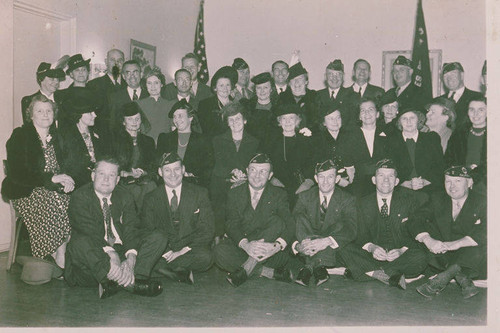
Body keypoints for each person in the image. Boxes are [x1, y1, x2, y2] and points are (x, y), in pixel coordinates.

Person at [64, 157, 163, 299]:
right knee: (79, 242)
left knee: (158, 236)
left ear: (117, 180)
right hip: (95, 260)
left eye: (111, 175)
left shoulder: (125, 195)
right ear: (93, 176)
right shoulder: (80, 196)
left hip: (120, 252)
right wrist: (112, 255)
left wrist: (130, 258)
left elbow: (131, 228)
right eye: (101, 174)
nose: (106, 179)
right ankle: (131, 283)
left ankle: (120, 279)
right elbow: (89, 232)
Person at [2, 95, 74, 271]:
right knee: (52, 201)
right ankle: (59, 256)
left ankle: (61, 252)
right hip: (26, 190)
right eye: (39, 111)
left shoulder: (57, 137)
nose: (45, 114)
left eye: (49, 111)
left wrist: (68, 178)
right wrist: (50, 179)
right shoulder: (21, 135)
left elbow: (68, 164)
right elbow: (18, 173)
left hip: (55, 189)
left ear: (54, 114)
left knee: (78, 202)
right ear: (31, 115)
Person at [340, 159, 429, 289]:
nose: (386, 180)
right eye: (381, 175)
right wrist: (371, 248)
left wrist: (401, 250)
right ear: (373, 180)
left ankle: (369, 272)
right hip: (371, 256)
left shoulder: (409, 202)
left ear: (397, 181)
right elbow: (359, 234)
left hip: (400, 257)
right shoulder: (362, 203)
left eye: (390, 176)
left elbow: (415, 232)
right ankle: (391, 274)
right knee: (344, 248)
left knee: (421, 257)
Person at [214, 153, 296, 287]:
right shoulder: (234, 193)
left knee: (277, 222)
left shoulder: (279, 194)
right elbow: (231, 223)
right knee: (219, 252)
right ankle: (269, 272)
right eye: (253, 170)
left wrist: (276, 246)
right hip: (243, 247)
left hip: (269, 250)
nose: (257, 176)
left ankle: (246, 269)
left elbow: (290, 224)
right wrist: (246, 245)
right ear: (247, 172)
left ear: (270, 176)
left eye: (263, 172)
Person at [141, 152, 215, 284]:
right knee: (149, 254)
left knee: (206, 257)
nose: (173, 174)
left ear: (183, 169)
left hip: (188, 248)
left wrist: (182, 251)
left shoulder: (200, 193)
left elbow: (207, 229)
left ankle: (159, 269)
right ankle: (177, 270)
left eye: (176, 169)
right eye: (167, 170)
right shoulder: (150, 198)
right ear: (160, 172)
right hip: (163, 250)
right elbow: (147, 229)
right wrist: (166, 251)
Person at [415, 166, 486, 299]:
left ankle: (443, 278)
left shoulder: (483, 201)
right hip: (444, 254)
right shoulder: (437, 199)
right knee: (420, 244)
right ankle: (462, 278)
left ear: (470, 183)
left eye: (458, 181)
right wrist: (428, 240)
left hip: (471, 254)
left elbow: (490, 229)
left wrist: (457, 244)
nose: (452, 186)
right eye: (448, 181)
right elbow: (415, 219)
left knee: (483, 246)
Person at [292, 159, 357, 287]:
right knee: (300, 217)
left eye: (330, 177)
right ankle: (319, 267)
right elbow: (294, 224)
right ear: (316, 178)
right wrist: (302, 244)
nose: (325, 181)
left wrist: (326, 241)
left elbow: (351, 228)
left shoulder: (348, 199)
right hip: (308, 244)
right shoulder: (304, 196)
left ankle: (308, 267)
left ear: (337, 178)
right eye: (321, 177)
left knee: (341, 225)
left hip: (330, 244)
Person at [210, 102, 259, 242]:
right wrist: (233, 172)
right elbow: (217, 163)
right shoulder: (217, 140)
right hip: (222, 180)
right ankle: (218, 239)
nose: (235, 122)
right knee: (219, 205)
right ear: (227, 123)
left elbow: (256, 163)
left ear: (245, 120)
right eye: (231, 120)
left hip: (247, 181)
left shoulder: (254, 142)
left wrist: (244, 176)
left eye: (238, 118)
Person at [265, 104, 315, 207]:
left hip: (302, 185)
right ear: (280, 121)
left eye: (291, 118)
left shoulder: (305, 140)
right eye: (284, 118)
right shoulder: (272, 141)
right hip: (277, 185)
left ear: (297, 121)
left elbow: (311, 164)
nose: (287, 122)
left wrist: (307, 183)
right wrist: (272, 180)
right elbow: (267, 164)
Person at [157, 99, 213, 188]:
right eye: (174, 117)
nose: (176, 120)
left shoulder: (203, 140)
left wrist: (192, 175)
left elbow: (207, 168)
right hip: (168, 184)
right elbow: (158, 165)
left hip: (194, 185)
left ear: (190, 118)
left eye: (180, 116)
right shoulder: (164, 138)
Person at [387, 108, 444, 193]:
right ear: (399, 122)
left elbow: (440, 166)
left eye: (412, 118)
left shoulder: (432, 138)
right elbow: (389, 170)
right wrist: (404, 183)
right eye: (404, 118)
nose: (408, 122)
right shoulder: (391, 142)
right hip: (401, 190)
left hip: (429, 189)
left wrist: (425, 182)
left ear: (418, 120)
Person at [112, 102, 157, 210]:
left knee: (152, 188)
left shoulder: (148, 141)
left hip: (144, 181)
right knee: (134, 193)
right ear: (123, 122)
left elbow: (154, 166)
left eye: (137, 119)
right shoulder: (115, 141)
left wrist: (143, 172)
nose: (134, 122)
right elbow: (111, 165)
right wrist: (127, 173)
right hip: (122, 182)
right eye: (130, 119)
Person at [60, 88, 107, 189]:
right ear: (79, 115)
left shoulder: (98, 133)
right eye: (90, 112)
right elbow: (70, 167)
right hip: (79, 184)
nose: (95, 115)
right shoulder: (68, 136)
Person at [343, 97, 390, 197]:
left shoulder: (389, 134)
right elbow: (348, 165)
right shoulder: (350, 136)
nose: (367, 113)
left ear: (377, 114)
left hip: (385, 183)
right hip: (359, 185)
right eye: (363, 111)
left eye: (370, 110)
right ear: (359, 116)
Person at [445, 97, 487, 192]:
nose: (475, 114)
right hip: (460, 181)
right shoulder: (459, 132)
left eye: (481, 110)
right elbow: (449, 159)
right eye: (472, 109)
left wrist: (474, 175)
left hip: (485, 182)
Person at [312, 101, 353, 188]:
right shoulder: (317, 139)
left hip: (350, 179)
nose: (335, 121)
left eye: (338, 118)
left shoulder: (350, 136)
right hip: (327, 181)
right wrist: (337, 180)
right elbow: (317, 165)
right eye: (331, 118)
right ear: (323, 123)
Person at [87, 49, 126, 133]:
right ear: (106, 62)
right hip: (103, 136)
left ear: (123, 63)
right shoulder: (93, 85)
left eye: (119, 60)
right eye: (112, 60)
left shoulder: (128, 85)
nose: (116, 63)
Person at [439, 62, 483, 128]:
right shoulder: (437, 101)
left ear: (462, 75)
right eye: (445, 76)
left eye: (453, 74)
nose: (449, 78)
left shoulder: (478, 97)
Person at [136, 66, 175, 142]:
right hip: (145, 144)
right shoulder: (138, 104)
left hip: (165, 144)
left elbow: (173, 129)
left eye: (156, 83)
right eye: (149, 83)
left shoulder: (170, 104)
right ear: (145, 85)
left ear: (162, 84)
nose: (153, 86)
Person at [108, 60, 149, 131]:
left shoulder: (149, 96)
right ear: (123, 76)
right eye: (128, 73)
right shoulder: (115, 97)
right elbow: (112, 125)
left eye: (135, 72)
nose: (132, 76)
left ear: (141, 74)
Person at [198, 66, 238, 138]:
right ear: (215, 88)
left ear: (231, 87)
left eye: (227, 85)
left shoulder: (237, 105)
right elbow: (207, 130)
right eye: (221, 85)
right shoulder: (205, 105)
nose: (225, 88)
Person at [316, 59, 357, 129]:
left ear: (343, 76)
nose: (334, 78)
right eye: (330, 74)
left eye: (338, 74)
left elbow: (353, 123)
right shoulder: (317, 95)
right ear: (325, 77)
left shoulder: (352, 95)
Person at [240, 72, 278, 147]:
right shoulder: (246, 106)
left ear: (271, 89)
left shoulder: (278, 108)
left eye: (265, 87)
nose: (262, 91)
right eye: (259, 88)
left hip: (274, 147)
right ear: (255, 90)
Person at [55, 54, 92, 130]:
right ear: (71, 74)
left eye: (83, 69)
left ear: (88, 72)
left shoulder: (95, 93)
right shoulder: (63, 95)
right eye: (77, 70)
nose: (81, 72)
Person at [278, 62, 319, 130]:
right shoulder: (282, 98)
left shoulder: (314, 97)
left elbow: (318, 122)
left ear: (306, 81)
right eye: (293, 79)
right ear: (289, 83)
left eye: (300, 78)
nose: (296, 82)